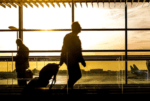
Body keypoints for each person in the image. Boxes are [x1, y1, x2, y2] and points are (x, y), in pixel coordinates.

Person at [59, 21, 86, 90]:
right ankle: (68, 88)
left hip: (68, 59)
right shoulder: (75, 38)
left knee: (72, 76)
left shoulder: (68, 36)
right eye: (79, 27)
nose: (80, 28)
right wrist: (82, 61)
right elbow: (78, 51)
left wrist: (62, 59)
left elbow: (64, 48)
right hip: (72, 60)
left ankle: (68, 88)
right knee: (77, 75)